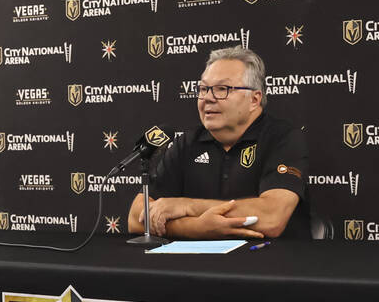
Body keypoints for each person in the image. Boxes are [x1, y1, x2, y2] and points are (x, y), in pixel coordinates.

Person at [128, 46, 310, 239]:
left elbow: (271, 217)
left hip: (269, 263)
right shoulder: (188, 142)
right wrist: (195, 227)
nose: (207, 98)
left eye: (222, 89)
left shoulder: (283, 138)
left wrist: (185, 206)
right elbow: (135, 218)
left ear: (254, 100)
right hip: (196, 265)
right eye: (204, 89)